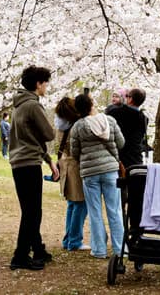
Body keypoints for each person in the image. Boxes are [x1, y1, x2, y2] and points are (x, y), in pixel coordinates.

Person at [8, 66, 58, 270]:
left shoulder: (18, 105)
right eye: (45, 83)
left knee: (30, 209)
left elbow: (30, 138)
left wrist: (48, 160)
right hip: (29, 163)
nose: (46, 87)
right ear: (38, 84)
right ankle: (20, 256)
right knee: (32, 212)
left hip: (19, 162)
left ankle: (38, 249)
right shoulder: (33, 106)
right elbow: (48, 134)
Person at [69, 93, 125, 260]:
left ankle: (99, 249)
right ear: (92, 104)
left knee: (95, 212)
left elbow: (74, 152)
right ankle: (120, 248)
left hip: (90, 173)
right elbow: (121, 142)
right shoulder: (109, 121)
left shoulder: (78, 127)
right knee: (115, 210)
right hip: (110, 170)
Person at [54, 97, 89, 251]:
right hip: (75, 165)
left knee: (72, 204)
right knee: (81, 203)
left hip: (64, 164)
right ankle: (74, 240)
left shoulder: (60, 126)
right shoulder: (75, 126)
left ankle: (68, 239)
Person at [106, 87, 148, 167]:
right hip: (135, 159)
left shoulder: (116, 112)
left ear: (130, 99)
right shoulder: (144, 119)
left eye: (126, 96)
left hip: (118, 158)